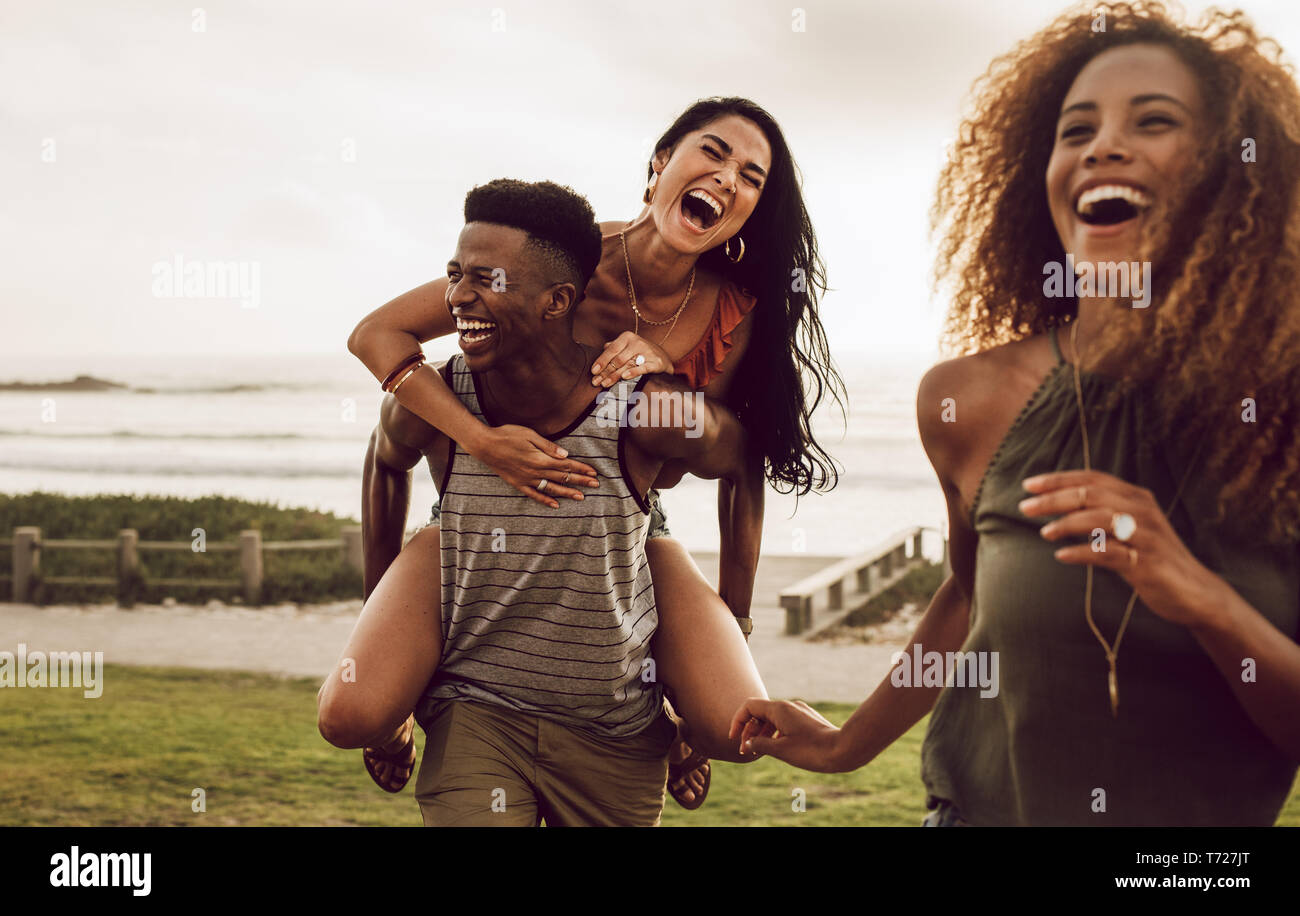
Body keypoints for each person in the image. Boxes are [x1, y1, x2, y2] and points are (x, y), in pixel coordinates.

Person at [731, 1, 1300, 826]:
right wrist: (839, 746)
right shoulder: (970, 402)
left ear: (1231, 169)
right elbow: (967, 604)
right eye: (1076, 130)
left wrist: (1198, 595)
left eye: (1155, 121)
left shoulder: (1279, 417)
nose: (1103, 145)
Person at [340, 97, 844, 807]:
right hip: (484, 497)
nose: (729, 178)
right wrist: (480, 439)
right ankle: (397, 713)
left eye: (752, 176)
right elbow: (378, 335)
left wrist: (738, 620)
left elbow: (739, 464)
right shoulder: (569, 259)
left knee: (732, 727)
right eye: (714, 153)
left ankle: (669, 724)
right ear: (660, 163)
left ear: (753, 210)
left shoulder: (735, 311)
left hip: (627, 522)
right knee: (358, 702)